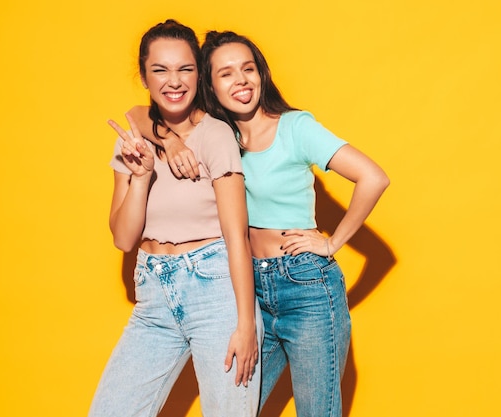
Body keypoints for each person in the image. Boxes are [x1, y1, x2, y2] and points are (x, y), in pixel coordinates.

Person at [128, 30, 390, 417]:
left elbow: (374, 177)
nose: (241, 80)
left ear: (262, 75)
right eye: (226, 73)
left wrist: (332, 243)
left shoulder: (295, 127)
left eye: (248, 69)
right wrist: (170, 141)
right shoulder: (219, 135)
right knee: (234, 407)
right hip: (245, 289)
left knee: (318, 411)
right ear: (209, 85)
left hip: (306, 287)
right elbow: (136, 113)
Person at [88, 21, 261, 417]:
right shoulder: (131, 139)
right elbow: (123, 239)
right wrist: (143, 172)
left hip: (216, 293)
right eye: (160, 70)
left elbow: (237, 236)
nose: (174, 81)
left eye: (185, 69)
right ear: (144, 75)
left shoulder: (216, 135)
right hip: (153, 295)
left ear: (198, 74)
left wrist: (246, 324)